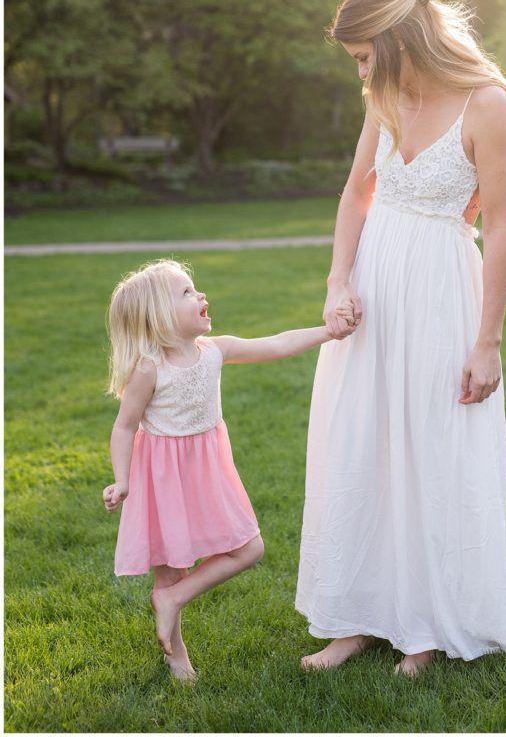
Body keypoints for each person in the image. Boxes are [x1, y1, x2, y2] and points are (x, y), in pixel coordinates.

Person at [296, 0, 506, 675]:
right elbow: (355, 191)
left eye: (366, 56)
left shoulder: (487, 103)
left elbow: (499, 230)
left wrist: (487, 343)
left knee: (430, 448)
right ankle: (356, 618)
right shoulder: (385, 97)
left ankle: (424, 626)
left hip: (439, 292)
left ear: (399, 39)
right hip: (374, 288)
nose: (362, 72)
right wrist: (338, 281)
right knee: (361, 444)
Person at [103, 258, 356, 681]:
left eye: (194, 288)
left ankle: (173, 598)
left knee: (249, 548)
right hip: (163, 478)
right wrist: (122, 480)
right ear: (159, 316)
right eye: (186, 293)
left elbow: (276, 343)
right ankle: (176, 653)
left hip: (207, 470)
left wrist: (328, 332)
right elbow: (124, 426)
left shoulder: (215, 350)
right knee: (171, 565)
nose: (200, 295)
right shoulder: (149, 369)